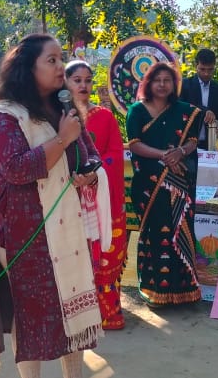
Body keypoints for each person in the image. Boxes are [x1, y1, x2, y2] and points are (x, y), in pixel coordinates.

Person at [0, 34, 104, 378]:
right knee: (31, 313)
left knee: (72, 301)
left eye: (61, 59)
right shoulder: (7, 116)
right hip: (26, 235)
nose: (60, 67)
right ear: (28, 68)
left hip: (68, 227)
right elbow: (17, 168)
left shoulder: (64, 111)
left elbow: (90, 154)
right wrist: (63, 138)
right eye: (51, 60)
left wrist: (89, 174)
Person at [127, 61, 204, 307]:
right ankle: (154, 291)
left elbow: (193, 141)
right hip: (148, 184)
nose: (162, 85)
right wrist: (163, 155)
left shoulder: (184, 111)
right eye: (157, 80)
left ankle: (184, 291)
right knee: (154, 232)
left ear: (174, 85)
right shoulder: (137, 111)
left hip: (178, 182)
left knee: (180, 230)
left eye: (167, 80)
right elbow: (135, 144)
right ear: (148, 83)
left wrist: (180, 151)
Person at [65, 60, 128, 330]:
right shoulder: (58, 118)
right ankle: (75, 315)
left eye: (88, 80)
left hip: (101, 197)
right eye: (77, 80)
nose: (83, 85)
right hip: (67, 198)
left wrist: (95, 173)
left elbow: (115, 153)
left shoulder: (104, 116)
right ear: (65, 83)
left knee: (104, 255)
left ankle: (106, 313)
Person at [179, 48, 218, 148]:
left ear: (214, 67)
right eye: (202, 69)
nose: (206, 73)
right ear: (196, 66)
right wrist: (204, 110)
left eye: (210, 69)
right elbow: (179, 106)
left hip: (209, 145)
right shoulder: (184, 85)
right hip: (184, 143)